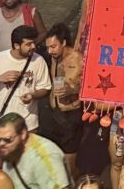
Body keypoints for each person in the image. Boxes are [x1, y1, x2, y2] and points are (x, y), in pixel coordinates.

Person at [0, 26, 52, 132]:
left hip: (28, 124)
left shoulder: (38, 61)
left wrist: (33, 95)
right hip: (2, 123)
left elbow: (45, 88)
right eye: (28, 44)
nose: (33, 46)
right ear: (16, 45)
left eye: (34, 43)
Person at [42, 24, 83, 176]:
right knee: (55, 156)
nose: (50, 51)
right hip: (54, 112)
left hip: (71, 113)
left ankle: (73, 182)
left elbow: (88, 86)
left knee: (69, 157)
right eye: (48, 47)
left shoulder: (78, 59)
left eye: (53, 46)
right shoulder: (54, 57)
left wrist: (71, 89)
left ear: (64, 42)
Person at [0, 113, 71, 189]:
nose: (1, 144)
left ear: (23, 134)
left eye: (7, 139)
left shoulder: (45, 156)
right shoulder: (11, 151)